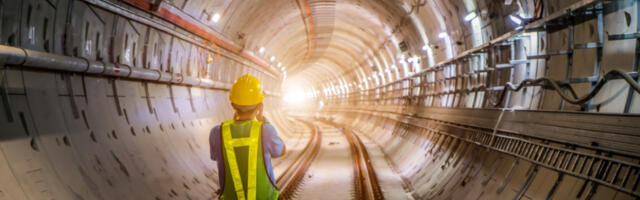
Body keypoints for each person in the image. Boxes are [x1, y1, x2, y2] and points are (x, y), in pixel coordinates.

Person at [210, 74, 286, 200]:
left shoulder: (217, 133)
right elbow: (281, 151)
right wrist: (264, 121)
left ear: (233, 104)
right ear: (260, 106)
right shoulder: (266, 130)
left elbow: (215, 157)